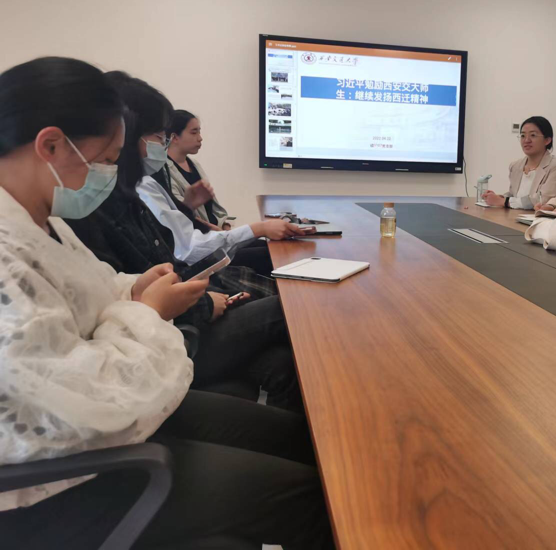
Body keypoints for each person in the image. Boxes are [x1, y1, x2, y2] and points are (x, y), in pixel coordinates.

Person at [0, 57, 332, 548]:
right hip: (60, 481)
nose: (111, 172)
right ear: (50, 146)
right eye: (107, 158)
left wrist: (133, 289)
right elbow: (73, 401)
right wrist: (146, 310)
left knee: (300, 442)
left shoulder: (42, 221)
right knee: (311, 498)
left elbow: (95, 288)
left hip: (126, 418)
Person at [65, 82, 302, 411]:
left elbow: (156, 267)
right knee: (289, 307)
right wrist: (202, 303)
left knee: (283, 362)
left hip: (176, 320)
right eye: (161, 136)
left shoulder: (132, 191)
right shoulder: (103, 202)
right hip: (170, 335)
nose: (162, 144)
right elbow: (174, 260)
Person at [105, 71, 310, 274]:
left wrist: (223, 225)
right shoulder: (145, 182)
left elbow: (183, 227)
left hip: (206, 249)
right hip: (196, 263)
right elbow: (186, 247)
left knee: (271, 252)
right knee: (271, 259)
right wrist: (256, 229)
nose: (200, 138)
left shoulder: (175, 170)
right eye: (160, 137)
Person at [481, 116, 556, 209]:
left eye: (533, 135)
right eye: (523, 136)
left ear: (547, 140)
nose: (526, 140)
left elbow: (544, 199)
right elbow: (514, 195)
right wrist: (499, 197)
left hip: (538, 216)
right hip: (513, 216)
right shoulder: (515, 166)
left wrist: (504, 201)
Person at [166, 109, 231, 229]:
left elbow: (214, 209)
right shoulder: (164, 171)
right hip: (199, 236)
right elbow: (180, 214)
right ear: (174, 137)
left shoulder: (194, 164)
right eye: (194, 133)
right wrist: (216, 232)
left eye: (199, 132)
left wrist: (225, 225)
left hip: (216, 234)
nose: (200, 138)